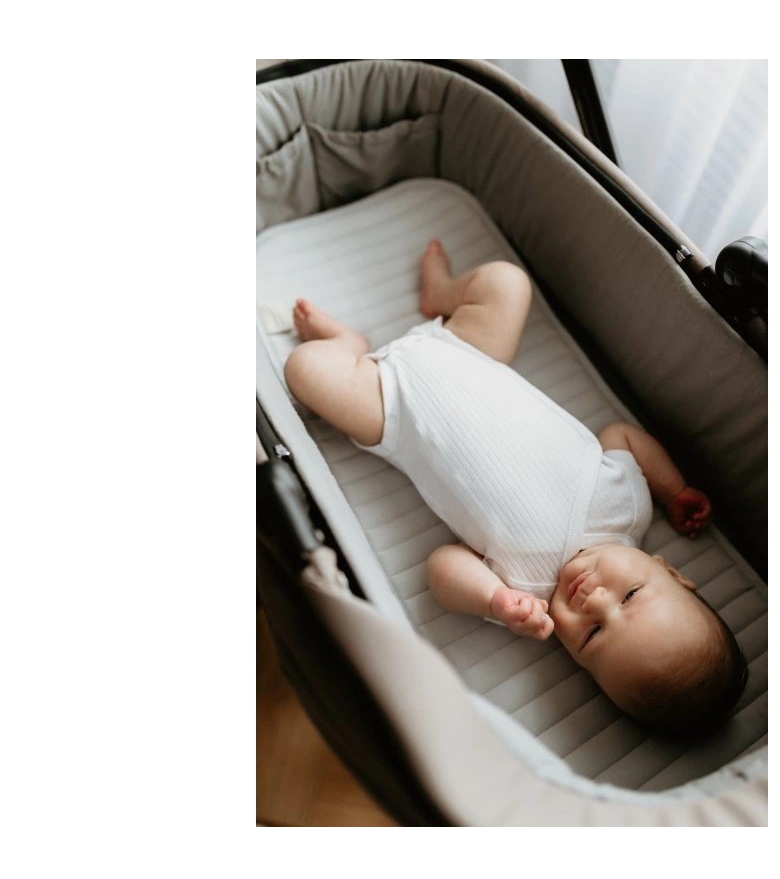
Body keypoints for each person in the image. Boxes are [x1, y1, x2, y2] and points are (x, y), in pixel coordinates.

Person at [284, 240, 746, 735]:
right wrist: (672, 490)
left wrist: (493, 602)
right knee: (506, 282)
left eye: (592, 634)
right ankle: (443, 293)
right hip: (470, 351)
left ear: (577, 659)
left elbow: (442, 569)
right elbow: (621, 436)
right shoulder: (629, 507)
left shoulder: (525, 589)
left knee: (304, 370)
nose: (595, 601)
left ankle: (348, 346)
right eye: (630, 595)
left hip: (392, 409)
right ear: (669, 570)